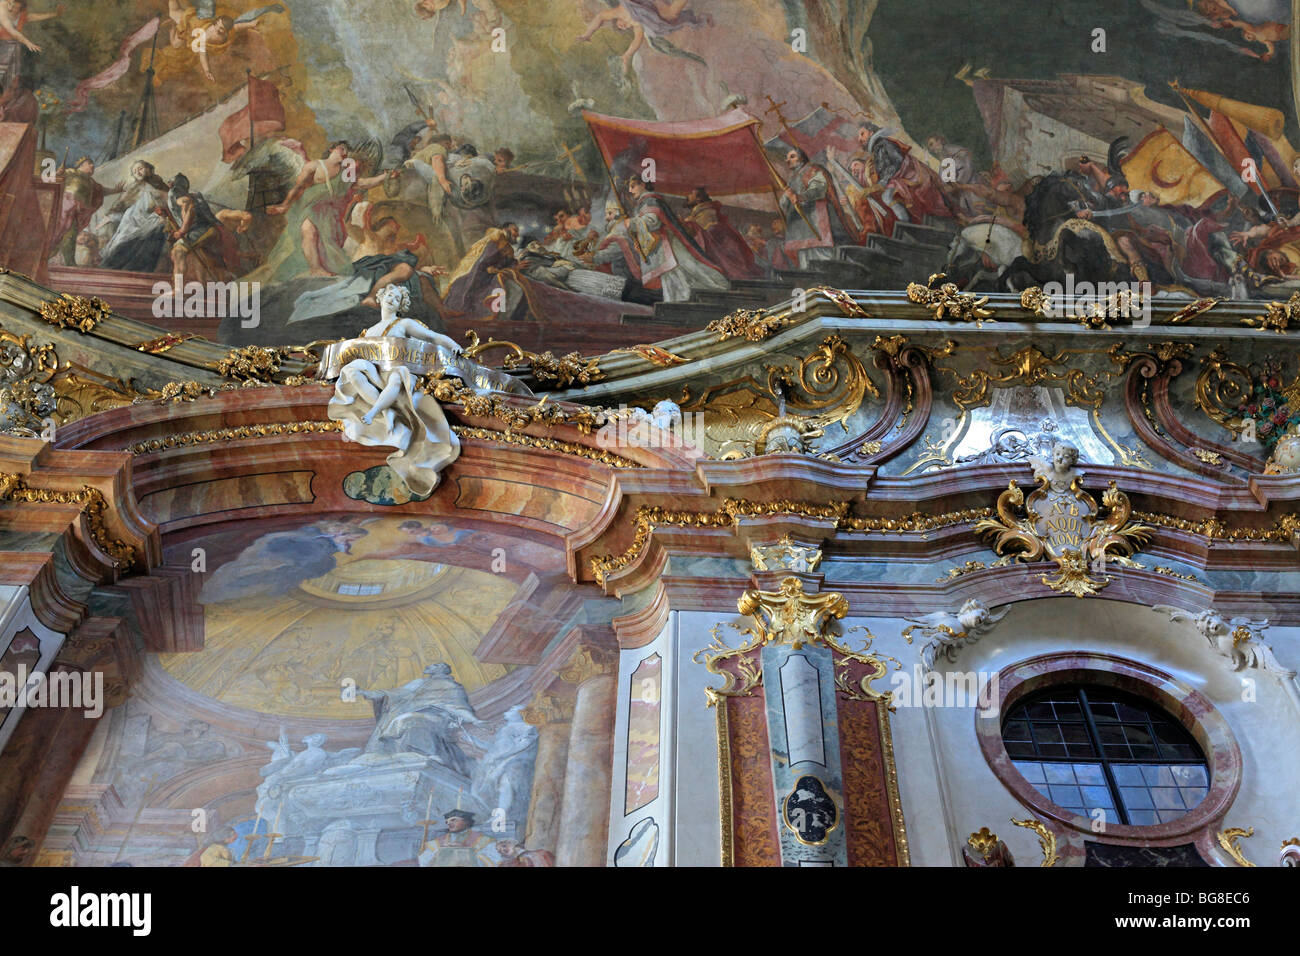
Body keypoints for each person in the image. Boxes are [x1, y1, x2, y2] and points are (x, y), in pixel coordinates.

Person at [259, 142, 396, 280]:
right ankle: (315, 268)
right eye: (342, 148)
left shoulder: (345, 173)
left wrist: (384, 177)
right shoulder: (315, 166)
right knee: (309, 232)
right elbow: (298, 187)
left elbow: (362, 183)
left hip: (328, 214)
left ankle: (318, 267)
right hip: (309, 205)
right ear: (332, 149)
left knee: (325, 247)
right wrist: (284, 205)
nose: (344, 153)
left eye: (346, 151)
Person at [619, 176, 727, 302]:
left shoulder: (650, 200)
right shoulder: (645, 201)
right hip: (661, 245)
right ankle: (677, 300)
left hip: (668, 244)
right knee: (672, 274)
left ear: (643, 184)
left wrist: (631, 222)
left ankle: (709, 291)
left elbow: (653, 221)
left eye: (633, 186)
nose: (631, 191)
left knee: (684, 268)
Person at [100, 161, 172, 273]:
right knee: (120, 246)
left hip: (151, 222)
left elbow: (167, 203)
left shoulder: (158, 185)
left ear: (148, 169)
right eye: (134, 171)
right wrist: (112, 217)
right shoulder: (132, 188)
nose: (137, 172)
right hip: (130, 224)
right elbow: (123, 207)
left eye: (140, 168)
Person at [683, 187, 760, 279]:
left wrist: (689, 227)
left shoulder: (707, 213)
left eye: (690, 194)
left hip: (722, 257)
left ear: (698, 198)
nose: (687, 196)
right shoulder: (699, 213)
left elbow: (708, 234)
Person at [419, 810, 496, 867]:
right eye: (447, 821)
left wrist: (467, 850)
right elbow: (423, 863)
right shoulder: (436, 843)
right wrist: (439, 852)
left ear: (467, 822)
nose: (449, 823)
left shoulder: (484, 840)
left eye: (453, 820)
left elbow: (493, 861)